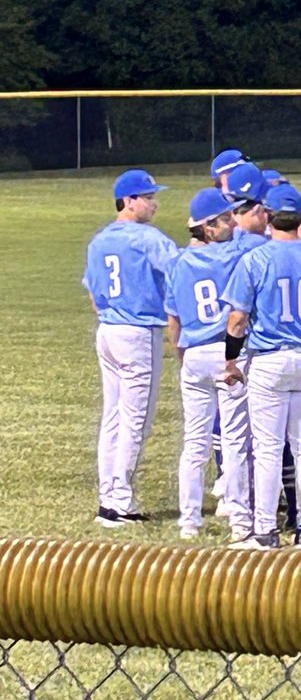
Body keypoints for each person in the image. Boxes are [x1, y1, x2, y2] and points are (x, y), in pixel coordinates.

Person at [221, 183, 301, 549]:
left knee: (268, 449)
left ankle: (265, 528)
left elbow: (237, 319)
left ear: (269, 216)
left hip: (269, 358)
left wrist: (230, 359)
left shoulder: (255, 259)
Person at [83, 169, 178, 526]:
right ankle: (119, 503)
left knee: (113, 417)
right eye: (148, 197)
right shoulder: (147, 238)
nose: (155, 203)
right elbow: (181, 272)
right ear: (128, 201)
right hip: (138, 333)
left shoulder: (100, 240)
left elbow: (93, 294)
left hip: (108, 330)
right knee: (135, 420)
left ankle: (108, 496)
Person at [165, 188, 254, 542]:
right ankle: (238, 516)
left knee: (195, 441)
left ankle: (189, 520)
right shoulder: (235, 253)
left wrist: (181, 355)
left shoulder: (178, 262)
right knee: (234, 439)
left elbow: (173, 320)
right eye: (225, 219)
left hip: (194, 353)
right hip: (227, 352)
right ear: (208, 227)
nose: (233, 223)